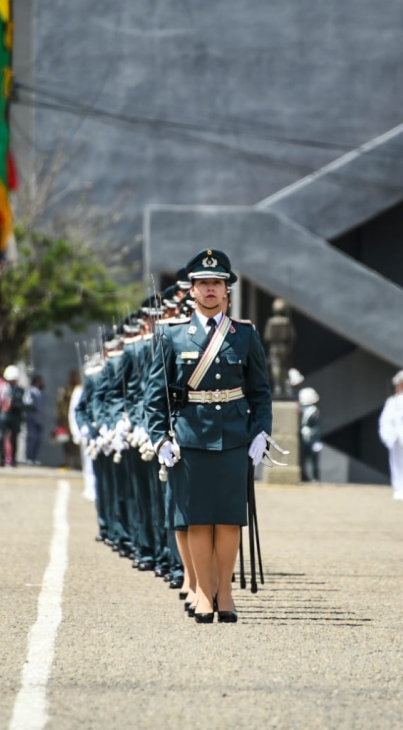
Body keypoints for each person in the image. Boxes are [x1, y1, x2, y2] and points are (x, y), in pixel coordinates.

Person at [147, 248, 273, 623]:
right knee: (198, 519)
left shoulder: (245, 335)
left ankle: (225, 593)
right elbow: (155, 396)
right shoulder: (173, 336)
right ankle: (204, 593)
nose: (210, 289)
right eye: (203, 283)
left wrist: (261, 432)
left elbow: (260, 392)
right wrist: (160, 438)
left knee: (230, 519)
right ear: (192, 290)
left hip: (234, 437)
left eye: (216, 282)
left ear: (227, 289)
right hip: (190, 437)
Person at [298, 386, 323, 482]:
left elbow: (315, 427)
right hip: (308, 438)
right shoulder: (310, 410)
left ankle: (314, 477)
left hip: (310, 437)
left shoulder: (310, 410)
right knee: (306, 459)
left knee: (311, 459)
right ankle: (308, 476)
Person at [24, 374, 45, 465]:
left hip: (39, 419)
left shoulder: (39, 393)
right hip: (32, 419)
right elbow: (27, 404)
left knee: (37, 439)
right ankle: (29, 458)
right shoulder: (31, 392)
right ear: (37, 382)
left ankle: (34, 458)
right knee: (31, 438)